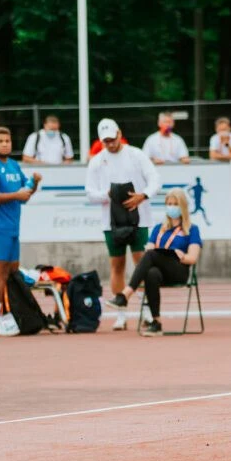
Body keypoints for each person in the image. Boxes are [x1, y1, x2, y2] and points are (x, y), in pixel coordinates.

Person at [86, 118, 161, 331]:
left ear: (119, 133)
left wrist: (143, 195)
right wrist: (107, 195)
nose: (110, 144)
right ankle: (121, 313)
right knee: (117, 266)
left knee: (142, 264)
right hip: (112, 221)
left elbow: (155, 179)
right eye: (105, 141)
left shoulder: (136, 155)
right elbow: (90, 192)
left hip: (140, 218)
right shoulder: (97, 161)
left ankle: (147, 309)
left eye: (112, 138)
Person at [108, 188, 201, 336]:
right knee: (151, 272)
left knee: (151, 256)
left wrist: (181, 256)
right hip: (160, 270)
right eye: (169, 204)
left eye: (175, 204)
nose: (172, 207)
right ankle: (156, 322)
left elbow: (193, 258)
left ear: (182, 206)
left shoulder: (192, 229)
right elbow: (149, 251)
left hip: (178, 269)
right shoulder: (159, 228)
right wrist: (150, 248)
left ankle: (125, 294)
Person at [0, 127, 41, 337]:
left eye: (8, 140)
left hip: (12, 227)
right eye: (1, 141)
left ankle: (7, 313)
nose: (5, 144)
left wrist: (35, 182)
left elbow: (25, 192)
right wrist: (16, 195)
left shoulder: (13, 165)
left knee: (13, 270)